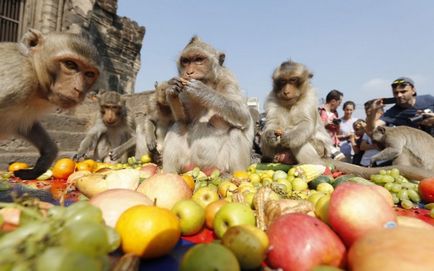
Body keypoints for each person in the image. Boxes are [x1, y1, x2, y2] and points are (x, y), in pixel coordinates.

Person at [366, 77, 434, 136]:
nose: (399, 95)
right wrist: (372, 111)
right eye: (396, 93)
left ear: (413, 90)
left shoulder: (429, 99)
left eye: (403, 92)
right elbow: (371, 129)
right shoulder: (392, 113)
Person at [319, 89, 345, 160]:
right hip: (321, 144)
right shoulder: (319, 110)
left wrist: (337, 126)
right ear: (333, 101)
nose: (339, 105)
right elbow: (312, 128)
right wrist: (325, 124)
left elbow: (337, 132)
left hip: (333, 144)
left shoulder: (335, 114)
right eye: (339, 102)